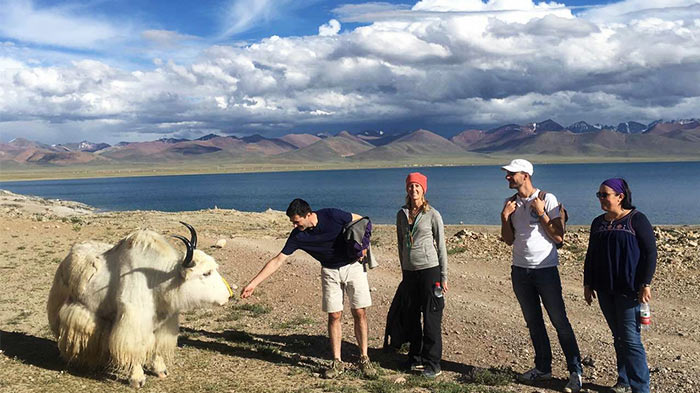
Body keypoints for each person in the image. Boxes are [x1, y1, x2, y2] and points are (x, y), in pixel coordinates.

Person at [241, 198, 375, 378]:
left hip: (353, 267)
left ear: (309, 214)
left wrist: (363, 245)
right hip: (329, 271)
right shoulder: (298, 236)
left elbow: (362, 221)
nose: (295, 225)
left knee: (359, 312)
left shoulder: (332, 215)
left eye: (297, 221)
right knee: (334, 315)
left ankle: (364, 358)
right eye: (293, 222)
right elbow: (278, 260)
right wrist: (253, 283)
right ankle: (337, 362)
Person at [499, 159, 583, 393]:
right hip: (520, 270)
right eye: (507, 173)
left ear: (525, 175)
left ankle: (575, 371)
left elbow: (558, 237)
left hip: (545, 270)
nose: (507, 177)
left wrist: (541, 213)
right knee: (534, 322)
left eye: (511, 173)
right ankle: (543, 367)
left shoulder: (547, 198)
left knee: (559, 321)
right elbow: (508, 239)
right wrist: (504, 217)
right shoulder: (510, 203)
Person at [583, 178, 656, 393]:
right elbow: (591, 255)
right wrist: (588, 283)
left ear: (620, 196)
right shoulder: (598, 222)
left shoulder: (636, 219)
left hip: (629, 289)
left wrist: (646, 283)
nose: (601, 199)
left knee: (631, 339)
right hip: (605, 288)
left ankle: (641, 388)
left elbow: (650, 253)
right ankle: (623, 380)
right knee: (618, 337)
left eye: (605, 195)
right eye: (599, 195)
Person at [395, 172, 448, 379]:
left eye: (417, 186)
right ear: (406, 189)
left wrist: (443, 276)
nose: (414, 190)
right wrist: (403, 269)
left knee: (431, 316)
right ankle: (414, 357)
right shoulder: (401, 213)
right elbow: (400, 244)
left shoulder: (433, 214)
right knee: (410, 316)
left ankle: (433, 363)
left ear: (423, 189)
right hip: (409, 272)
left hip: (430, 270)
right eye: (411, 186)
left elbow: (441, 246)